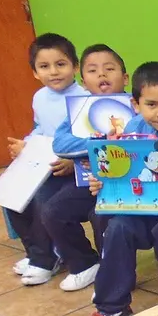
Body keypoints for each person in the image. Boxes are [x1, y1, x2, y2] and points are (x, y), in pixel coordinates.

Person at [78, 61, 158, 316]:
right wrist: (102, 183)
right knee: (116, 229)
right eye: (151, 104)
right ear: (135, 104)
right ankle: (112, 307)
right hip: (138, 209)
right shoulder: (132, 128)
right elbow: (119, 171)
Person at [43, 44, 130, 292]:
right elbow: (60, 144)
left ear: (125, 78)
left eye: (109, 69)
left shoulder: (136, 105)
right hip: (89, 183)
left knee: (101, 216)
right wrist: (97, 141)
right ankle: (85, 264)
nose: (101, 74)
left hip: (126, 185)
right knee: (52, 211)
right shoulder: (79, 112)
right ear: (83, 81)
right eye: (92, 70)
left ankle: (115, 274)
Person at [7, 33, 89, 286]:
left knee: (43, 200)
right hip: (44, 163)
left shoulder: (83, 98)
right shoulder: (39, 97)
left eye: (60, 64)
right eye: (44, 66)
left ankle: (46, 259)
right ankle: (37, 253)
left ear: (75, 66)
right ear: (34, 72)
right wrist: (25, 145)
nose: (53, 72)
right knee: (13, 196)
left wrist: (72, 162)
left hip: (72, 169)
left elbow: (88, 141)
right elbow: (40, 129)